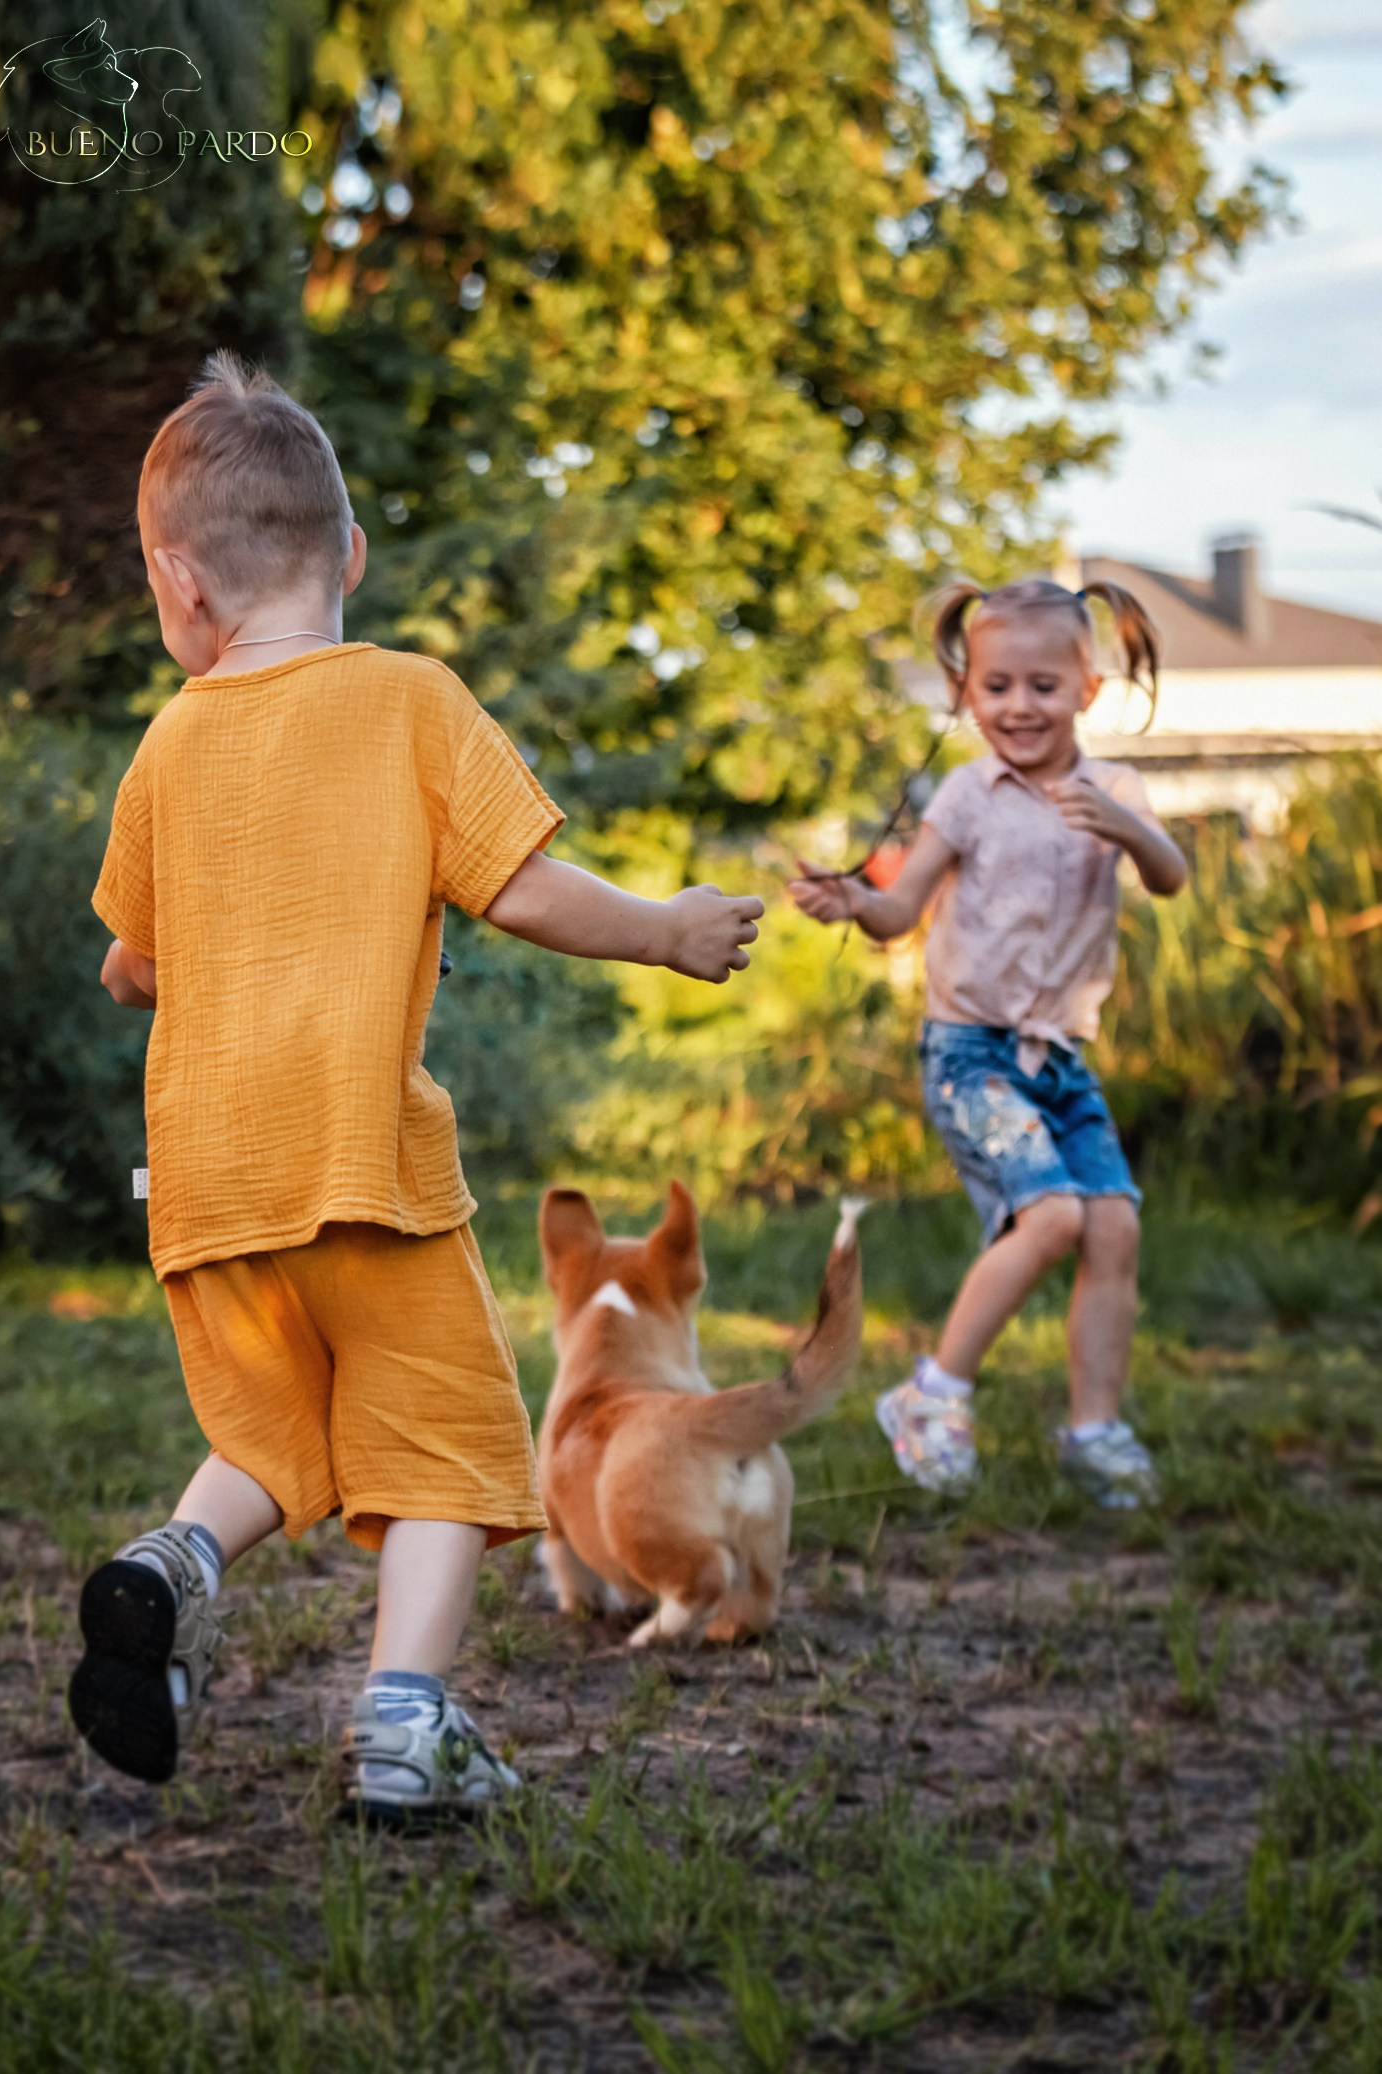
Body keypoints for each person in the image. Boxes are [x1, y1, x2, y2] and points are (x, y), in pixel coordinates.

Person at [73, 349, 764, 1821]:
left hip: (208, 1186)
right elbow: (521, 885)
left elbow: (131, 964)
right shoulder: (410, 701)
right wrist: (665, 929)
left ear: (177, 586)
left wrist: (193, 959)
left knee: (277, 1429)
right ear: (353, 554)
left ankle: (169, 1567)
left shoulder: (168, 742)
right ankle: (403, 1726)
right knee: (450, 1441)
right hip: (362, 1169)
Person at [789, 577, 1188, 1508]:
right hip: (970, 1052)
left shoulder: (1115, 790)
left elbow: (1171, 877)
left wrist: (1129, 830)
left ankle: (1095, 1430)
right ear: (966, 690)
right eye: (996, 685)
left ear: (1087, 690)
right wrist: (854, 900)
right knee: (1051, 1219)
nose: (1019, 706)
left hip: (1062, 1058)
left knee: (1115, 1225)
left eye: (1043, 686)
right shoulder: (968, 794)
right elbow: (900, 910)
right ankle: (932, 1395)